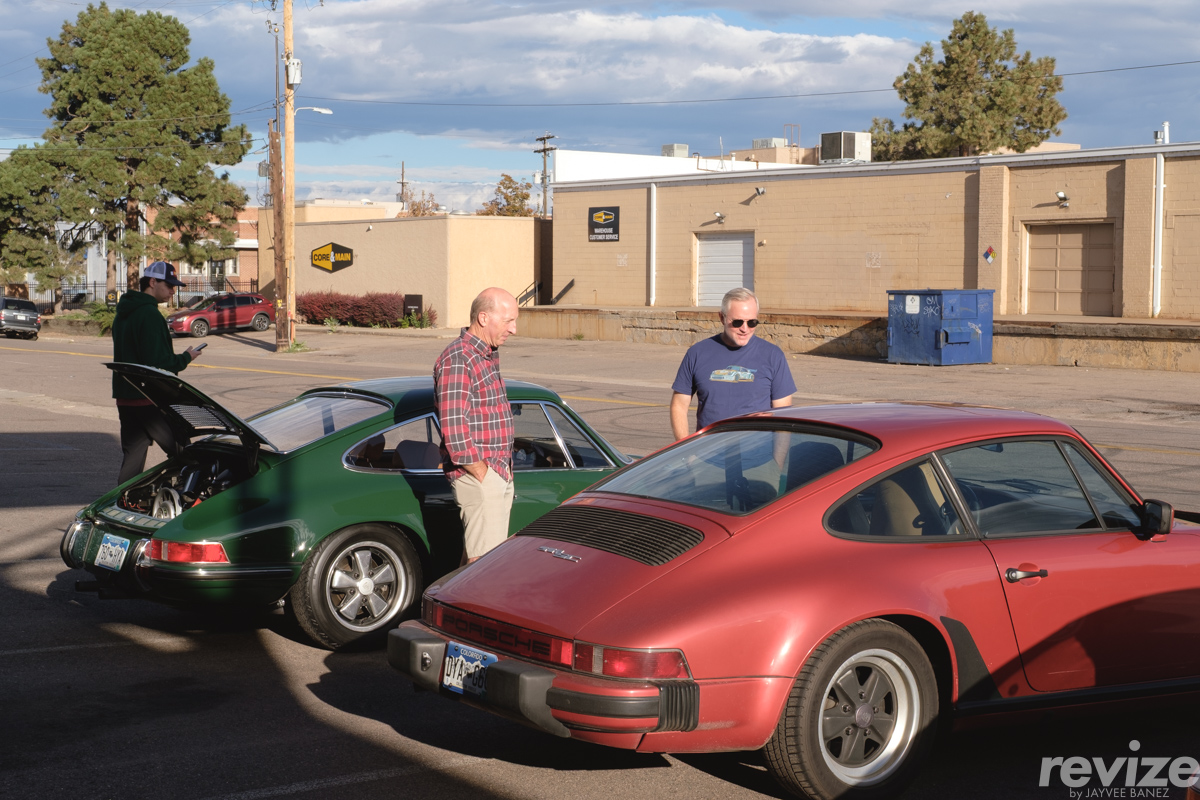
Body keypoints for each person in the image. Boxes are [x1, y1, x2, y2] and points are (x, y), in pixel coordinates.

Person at [433, 287, 520, 564]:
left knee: (477, 560)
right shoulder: (459, 358)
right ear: (483, 318)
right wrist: (483, 474)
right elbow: (454, 428)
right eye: (508, 321)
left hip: (496, 471)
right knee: (484, 564)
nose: (514, 329)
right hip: (481, 476)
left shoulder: (483, 354)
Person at [112, 261, 203, 484]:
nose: (173, 291)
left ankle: (124, 499)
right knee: (185, 451)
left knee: (133, 457)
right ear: (152, 282)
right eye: (169, 285)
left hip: (126, 396)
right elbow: (159, 362)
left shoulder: (123, 313)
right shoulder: (150, 314)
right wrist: (185, 358)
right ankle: (185, 495)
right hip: (150, 398)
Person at [670, 287, 796, 439]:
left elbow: (783, 416)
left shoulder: (773, 356)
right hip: (710, 451)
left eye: (752, 322)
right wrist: (686, 449)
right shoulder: (697, 353)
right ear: (722, 318)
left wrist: (779, 455)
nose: (745, 329)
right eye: (737, 322)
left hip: (758, 452)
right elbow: (679, 406)